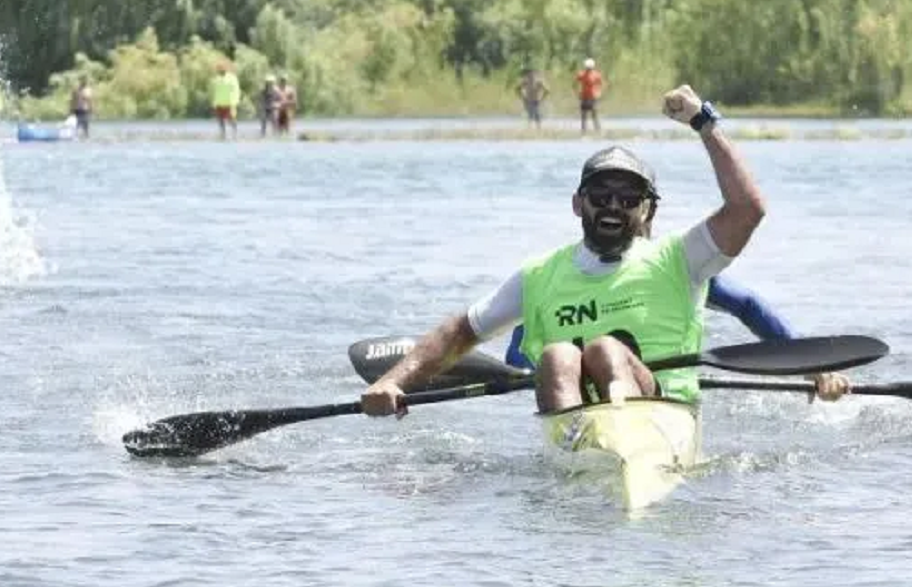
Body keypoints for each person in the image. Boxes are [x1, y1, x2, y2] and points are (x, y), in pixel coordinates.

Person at [361, 85, 764, 418]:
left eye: (628, 198)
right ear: (577, 204)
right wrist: (394, 381)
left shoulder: (680, 259)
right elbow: (459, 332)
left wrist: (704, 123)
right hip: (574, 426)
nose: (612, 205)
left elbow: (747, 209)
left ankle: (618, 439)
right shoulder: (539, 275)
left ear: (646, 210)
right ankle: (577, 444)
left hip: (663, 419)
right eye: (601, 195)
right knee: (557, 357)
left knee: (606, 349)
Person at [499, 273, 851, 401]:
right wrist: (550, 371)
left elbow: (747, 305)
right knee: (570, 356)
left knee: (608, 351)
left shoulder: (671, 271)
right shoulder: (564, 278)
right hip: (578, 401)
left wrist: (811, 366)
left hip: (659, 399)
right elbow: (516, 356)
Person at [209, 61, 241, 139]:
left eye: (221, 68)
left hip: (230, 103)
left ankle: (235, 134)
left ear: (226, 69)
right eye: (218, 68)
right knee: (220, 120)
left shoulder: (232, 78)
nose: (219, 70)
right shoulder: (216, 79)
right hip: (219, 103)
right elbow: (214, 91)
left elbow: (236, 90)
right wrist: (214, 103)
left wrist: (235, 101)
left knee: (232, 119)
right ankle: (222, 135)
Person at [575, 58, 604, 134]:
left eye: (589, 67)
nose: (588, 68)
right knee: (583, 116)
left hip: (593, 97)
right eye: (587, 67)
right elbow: (574, 84)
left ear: (592, 67)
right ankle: (583, 131)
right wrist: (578, 93)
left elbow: (601, 84)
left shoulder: (596, 75)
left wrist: (599, 93)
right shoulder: (581, 74)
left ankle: (598, 130)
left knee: (594, 114)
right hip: (584, 97)